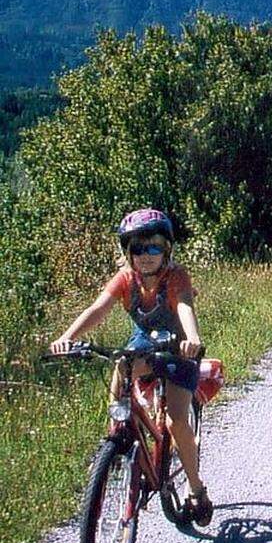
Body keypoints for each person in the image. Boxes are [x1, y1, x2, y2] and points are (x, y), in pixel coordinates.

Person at [49, 209, 213, 526]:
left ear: (167, 249)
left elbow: (184, 307)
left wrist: (192, 338)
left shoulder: (176, 276)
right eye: (138, 248)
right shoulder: (126, 279)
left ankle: (196, 490)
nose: (146, 255)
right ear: (128, 252)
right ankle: (119, 436)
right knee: (122, 365)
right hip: (144, 341)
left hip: (178, 346)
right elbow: (98, 308)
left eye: (153, 247)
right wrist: (67, 337)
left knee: (177, 421)